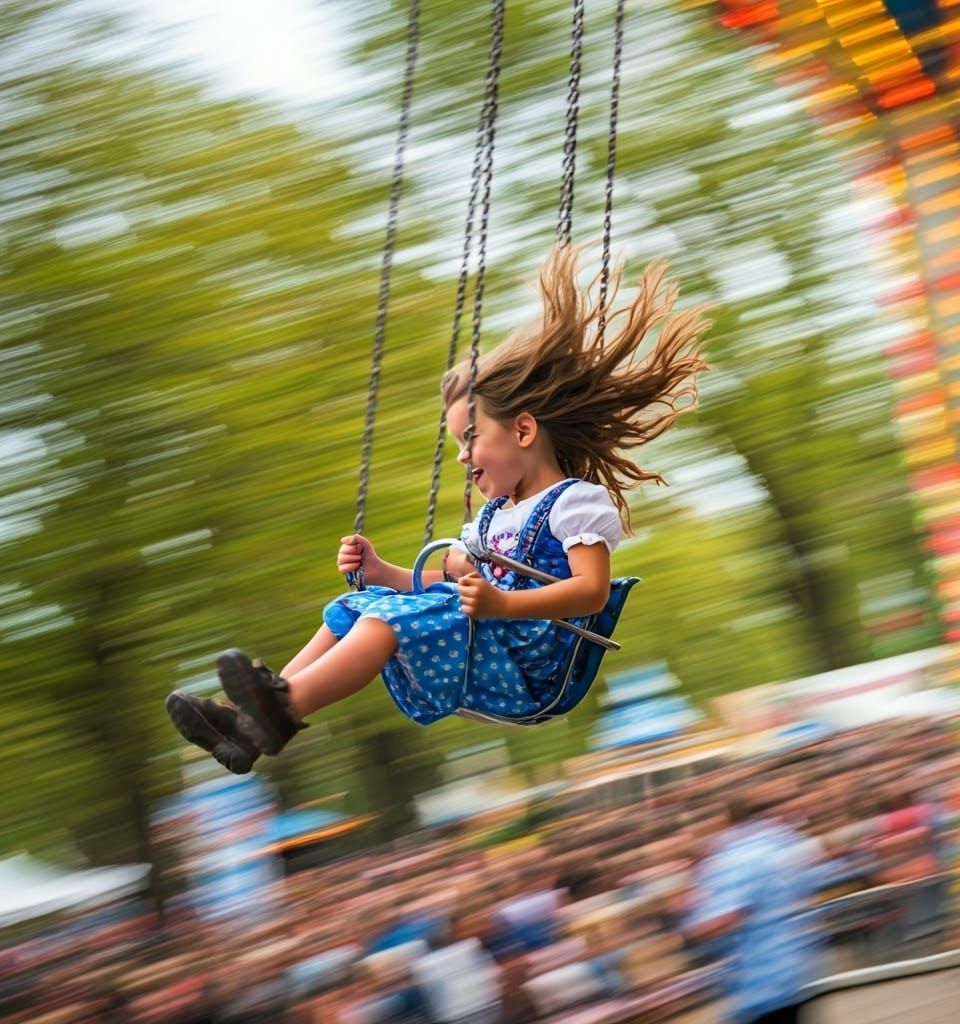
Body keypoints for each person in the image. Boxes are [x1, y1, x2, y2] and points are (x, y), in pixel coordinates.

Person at [165, 244, 710, 774]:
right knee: (354, 606)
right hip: (487, 638)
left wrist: (500, 605)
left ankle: (282, 710)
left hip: (530, 663)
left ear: (523, 429)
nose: (462, 456)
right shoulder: (494, 517)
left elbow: (591, 591)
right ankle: (252, 721)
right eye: (456, 444)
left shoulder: (575, 503)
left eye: (470, 438)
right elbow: (446, 577)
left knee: (385, 622)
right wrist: (382, 573)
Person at [684, 785, 828, 1024]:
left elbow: (726, 917)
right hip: (795, 967)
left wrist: (690, 925)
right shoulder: (784, 840)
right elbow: (815, 877)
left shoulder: (734, 858)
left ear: (722, 819)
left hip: (759, 979)